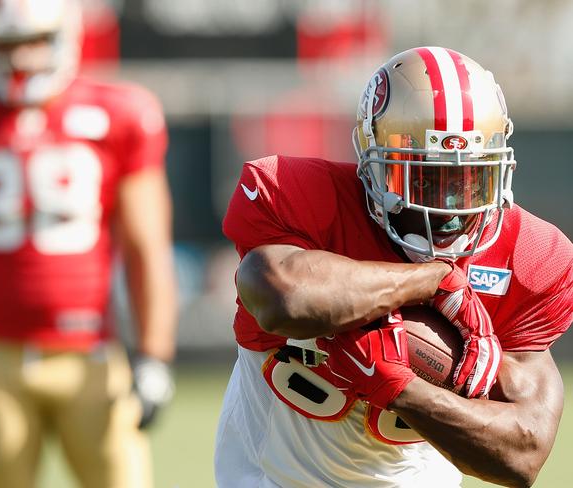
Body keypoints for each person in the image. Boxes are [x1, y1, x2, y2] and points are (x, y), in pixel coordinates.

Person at [215, 46, 572, 487]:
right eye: (422, 178)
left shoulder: (531, 257)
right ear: (371, 165)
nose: (448, 209)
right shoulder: (299, 194)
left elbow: (524, 455)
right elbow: (283, 296)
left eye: (469, 181)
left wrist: (401, 389)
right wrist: (431, 280)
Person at [0, 1, 178, 487]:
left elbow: (147, 246)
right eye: (6, 45)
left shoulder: (120, 115)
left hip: (90, 353)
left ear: (64, 38)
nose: (19, 60)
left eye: (31, 43)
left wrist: (154, 354)